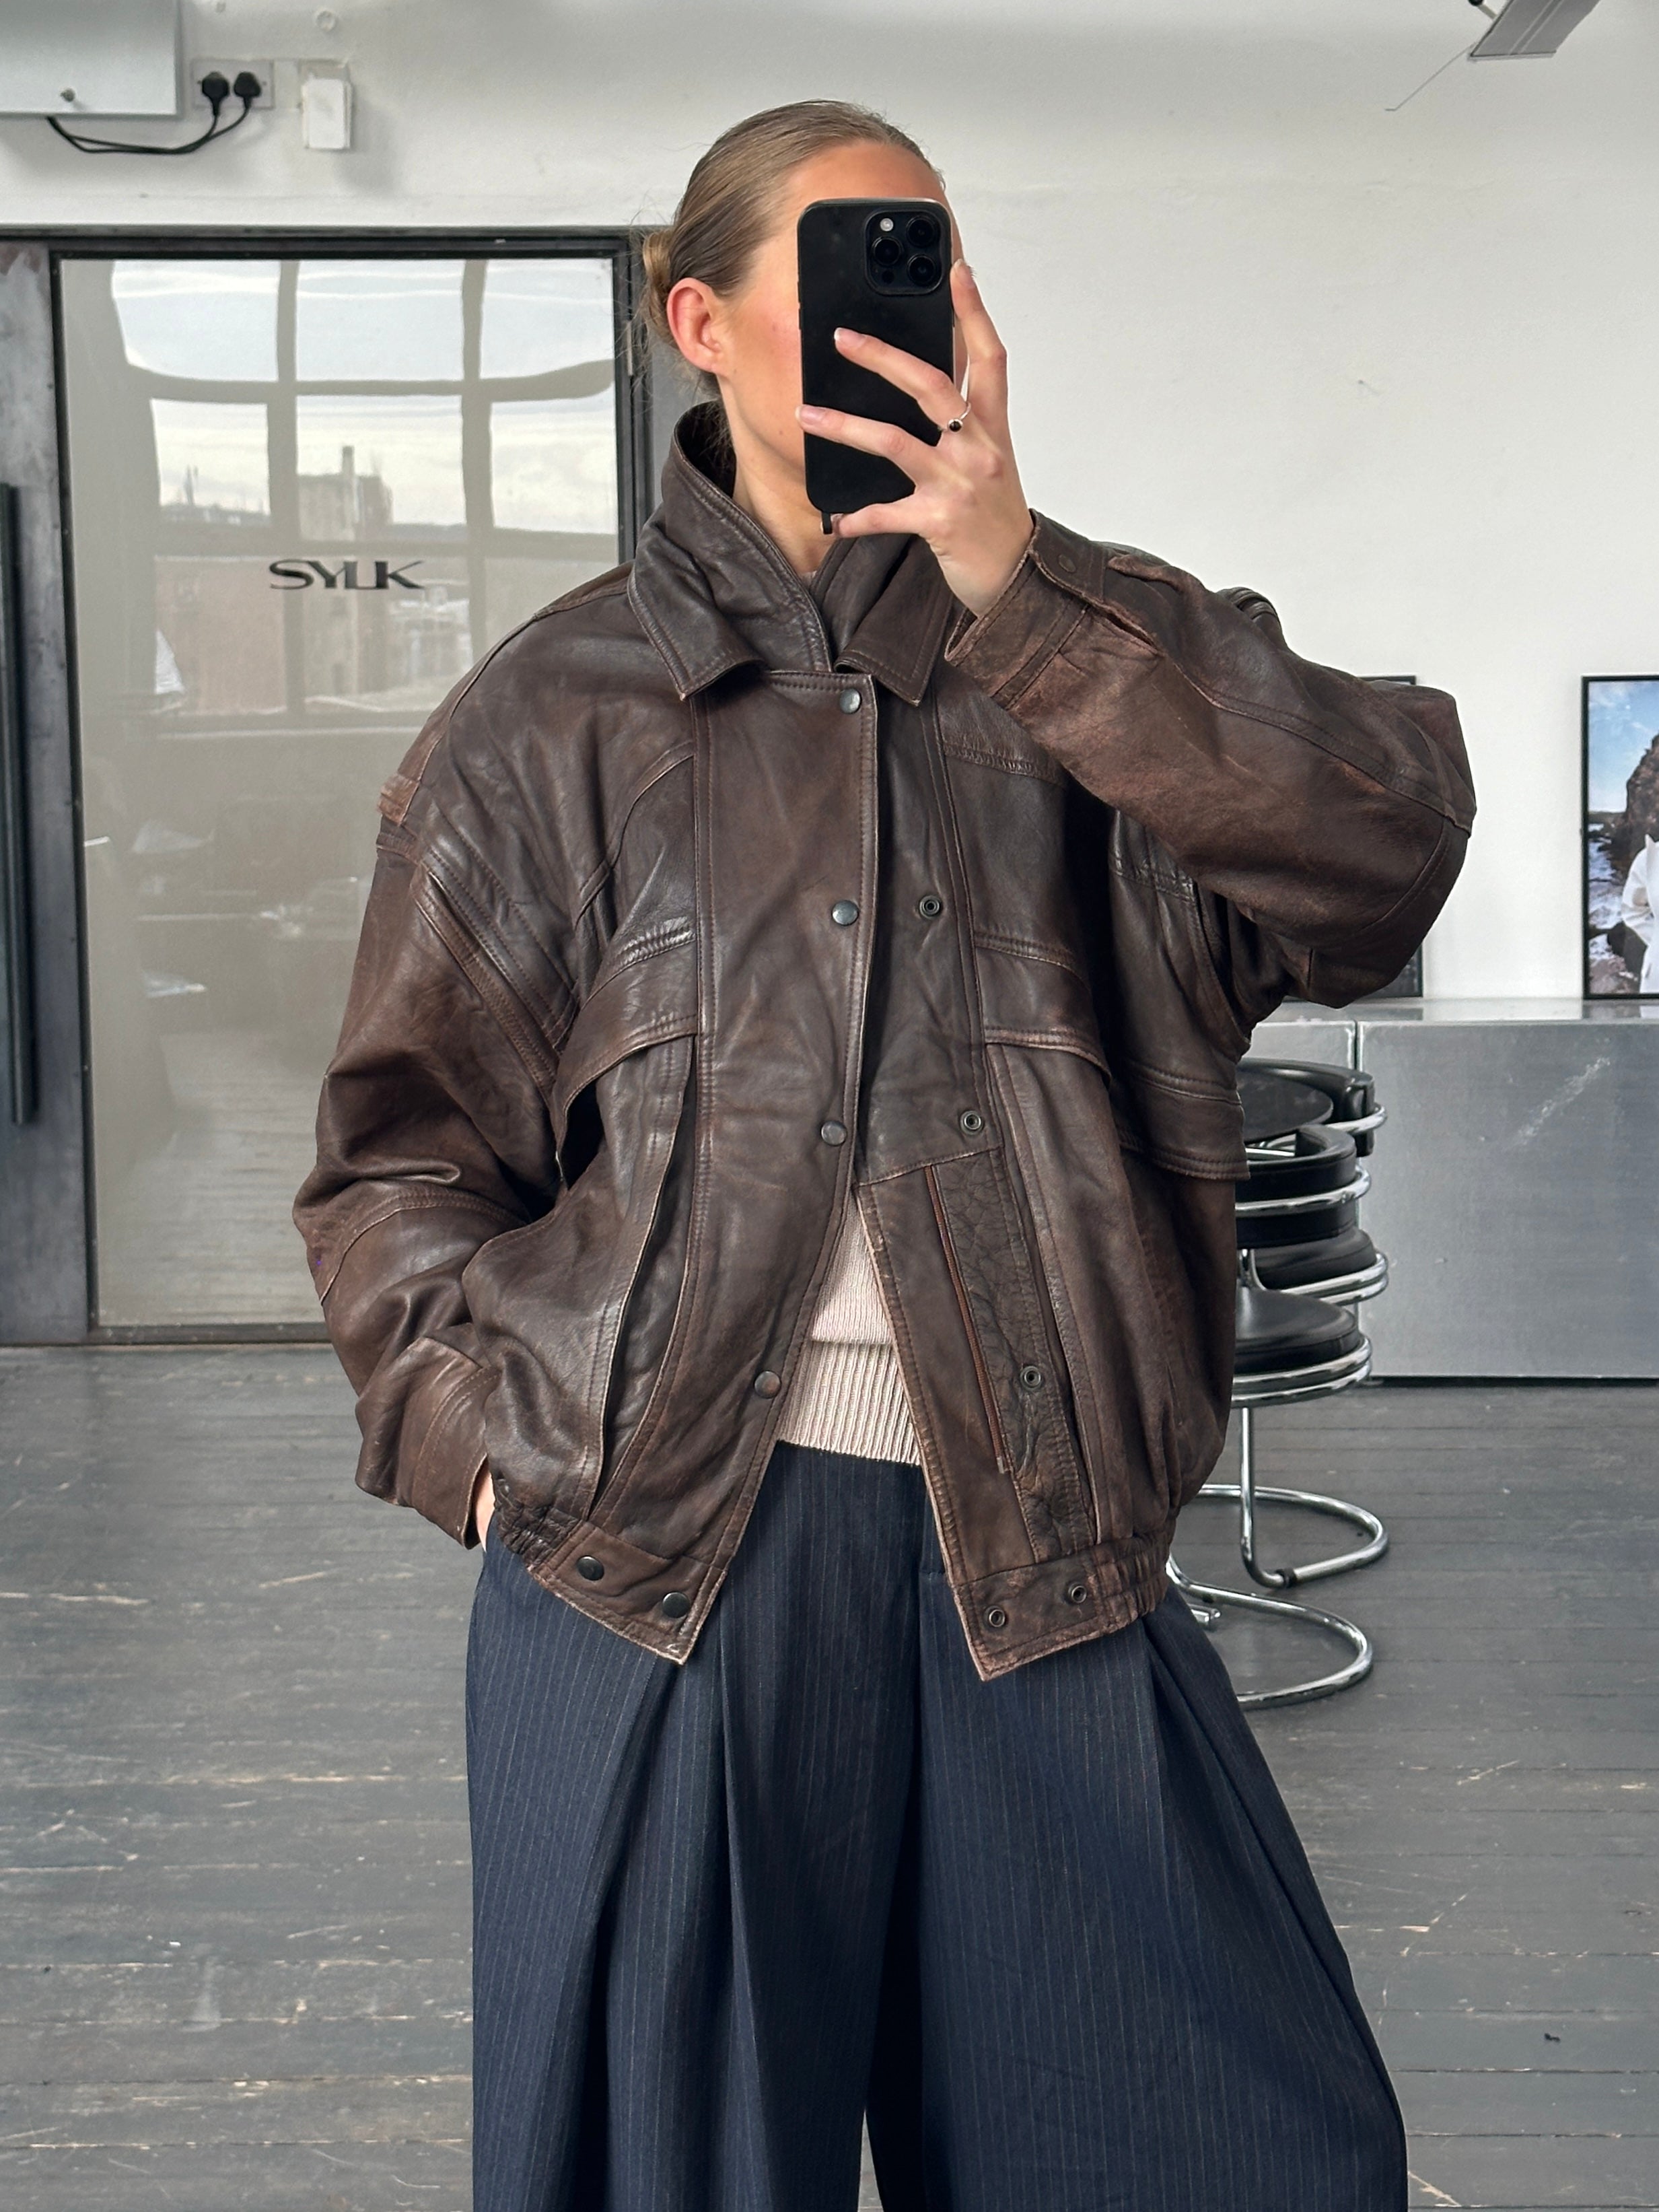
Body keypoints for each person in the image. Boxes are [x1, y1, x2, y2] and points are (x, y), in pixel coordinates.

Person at [294, 99, 1474, 2212]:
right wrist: (479, 1454)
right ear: (701, 324)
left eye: (931, 262)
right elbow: (396, 1159)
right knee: (658, 2166)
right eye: (851, 261)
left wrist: (1024, 594)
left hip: (1048, 1561)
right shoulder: (551, 715)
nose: (906, 313)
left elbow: (1382, 856)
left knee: (1225, 2151)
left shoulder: (1095, 664)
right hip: (658, 1573)